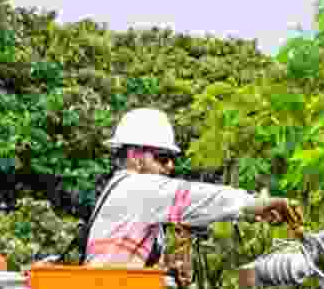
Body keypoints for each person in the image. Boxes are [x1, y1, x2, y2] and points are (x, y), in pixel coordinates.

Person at [82, 108, 301, 275]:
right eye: (162, 157)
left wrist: (166, 272)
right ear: (135, 156)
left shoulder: (124, 191)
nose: (170, 166)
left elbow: (123, 264)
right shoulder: (136, 188)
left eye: (171, 159)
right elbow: (200, 199)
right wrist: (257, 204)